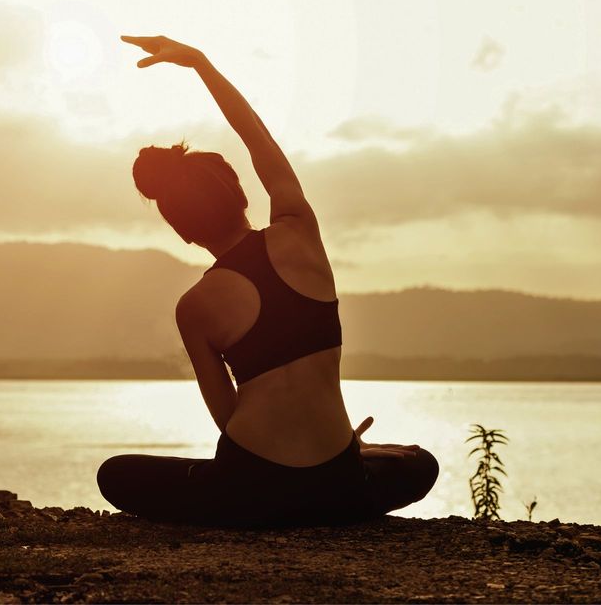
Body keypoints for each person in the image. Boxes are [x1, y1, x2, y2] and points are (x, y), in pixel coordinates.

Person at [96, 35, 439, 527]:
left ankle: (272, 497)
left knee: (118, 474)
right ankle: (348, 468)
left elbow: (228, 419)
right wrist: (200, 64)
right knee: (418, 462)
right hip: (338, 486)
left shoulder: (194, 307)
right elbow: (257, 137)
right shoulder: (300, 233)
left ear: (184, 233)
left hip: (251, 493)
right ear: (240, 193)